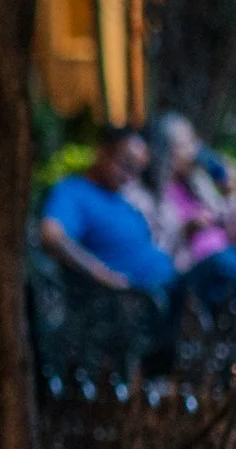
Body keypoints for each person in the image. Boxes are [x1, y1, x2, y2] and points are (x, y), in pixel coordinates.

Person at [39, 127, 172, 293]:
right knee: (214, 266)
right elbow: (51, 235)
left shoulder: (122, 201)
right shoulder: (74, 191)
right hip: (132, 300)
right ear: (102, 152)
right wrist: (100, 273)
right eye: (126, 166)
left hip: (166, 289)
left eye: (136, 172)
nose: (129, 177)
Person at [148, 111, 236, 305]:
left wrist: (229, 193)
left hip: (224, 268)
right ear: (164, 150)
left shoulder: (198, 181)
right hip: (188, 276)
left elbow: (231, 229)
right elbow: (155, 252)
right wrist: (187, 229)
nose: (193, 151)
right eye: (184, 145)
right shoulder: (148, 195)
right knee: (223, 261)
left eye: (193, 142)